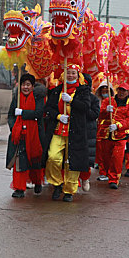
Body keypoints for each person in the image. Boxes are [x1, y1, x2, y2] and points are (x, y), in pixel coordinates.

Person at [42, 64, 91, 202]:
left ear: (78, 75)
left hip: (75, 132)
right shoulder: (57, 90)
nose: (70, 75)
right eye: (68, 73)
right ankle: (57, 183)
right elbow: (48, 109)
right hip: (58, 130)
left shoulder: (83, 91)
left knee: (72, 162)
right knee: (52, 157)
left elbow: (86, 108)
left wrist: (72, 101)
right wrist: (58, 116)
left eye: (73, 73)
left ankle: (70, 190)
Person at [6, 73, 45, 198]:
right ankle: (19, 188)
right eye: (23, 84)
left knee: (34, 160)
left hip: (35, 134)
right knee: (19, 160)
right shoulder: (16, 97)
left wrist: (23, 113)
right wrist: (14, 127)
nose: (25, 87)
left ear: (33, 86)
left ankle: (37, 182)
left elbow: (38, 113)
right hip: (19, 134)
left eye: (28, 84)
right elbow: (11, 115)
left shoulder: (38, 97)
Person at [97, 82, 129, 189]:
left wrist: (118, 125)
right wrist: (105, 111)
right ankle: (107, 172)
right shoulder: (108, 101)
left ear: (128, 93)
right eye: (120, 90)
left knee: (117, 158)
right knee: (106, 157)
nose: (121, 92)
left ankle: (114, 179)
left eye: (124, 90)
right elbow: (99, 115)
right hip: (106, 133)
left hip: (121, 135)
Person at [79, 75, 100, 191]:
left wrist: (83, 107)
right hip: (76, 129)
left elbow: (94, 114)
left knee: (87, 157)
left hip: (88, 131)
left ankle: (85, 178)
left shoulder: (94, 99)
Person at [94, 81, 114, 181]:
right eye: (103, 89)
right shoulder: (96, 100)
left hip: (112, 129)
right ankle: (103, 172)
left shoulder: (115, 101)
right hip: (99, 130)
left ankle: (112, 172)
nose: (105, 91)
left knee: (111, 153)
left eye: (107, 90)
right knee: (101, 152)